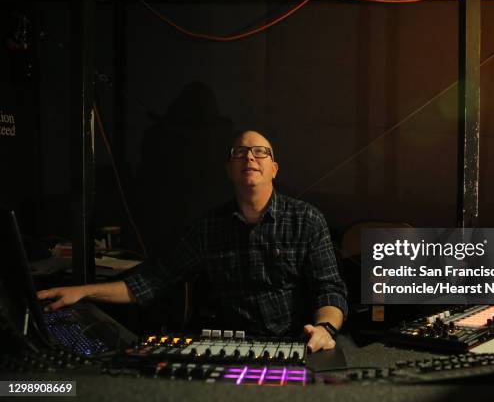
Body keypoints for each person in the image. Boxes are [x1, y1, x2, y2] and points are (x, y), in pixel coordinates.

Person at [37, 130, 347, 352]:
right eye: (239, 152)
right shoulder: (209, 227)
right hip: (231, 349)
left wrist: (325, 329)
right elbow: (152, 281)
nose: (249, 156)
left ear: (274, 169)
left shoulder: (306, 219)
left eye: (259, 151)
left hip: (298, 345)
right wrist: (83, 292)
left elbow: (329, 289)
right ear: (229, 170)